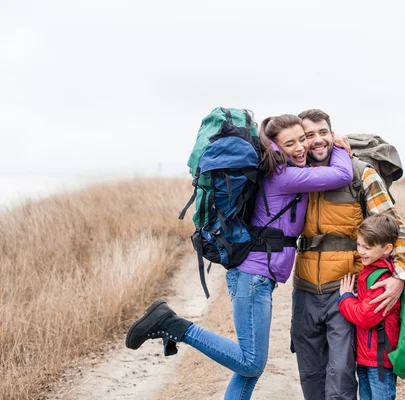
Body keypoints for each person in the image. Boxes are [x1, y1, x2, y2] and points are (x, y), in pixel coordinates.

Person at [125, 114, 353, 400]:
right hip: (253, 275)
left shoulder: (284, 170)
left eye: (302, 139)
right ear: (274, 147)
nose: (300, 147)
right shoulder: (284, 176)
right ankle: (173, 325)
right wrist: (342, 150)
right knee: (251, 361)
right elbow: (344, 175)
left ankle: (173, 325)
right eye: (290, 143)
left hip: (258, 275)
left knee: (249, 368)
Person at [291, 109, 405, 400]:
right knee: (310, 376)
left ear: (333, 134)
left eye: (323, 132)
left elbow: (395, 229)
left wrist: (400, 277)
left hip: (346, 289)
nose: (317, 140)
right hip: (304, 289)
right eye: (309, 135)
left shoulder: (360, 173)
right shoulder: (295, 174)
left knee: (341, 377)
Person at [338, 214, 403, 400]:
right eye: (359, 245)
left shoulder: (383, 279)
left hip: (380, 360)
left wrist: (346, 299)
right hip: (368, 357)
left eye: (368, 247)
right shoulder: (370, 271)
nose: (361, 252)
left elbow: (366, 316)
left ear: (386, 249)